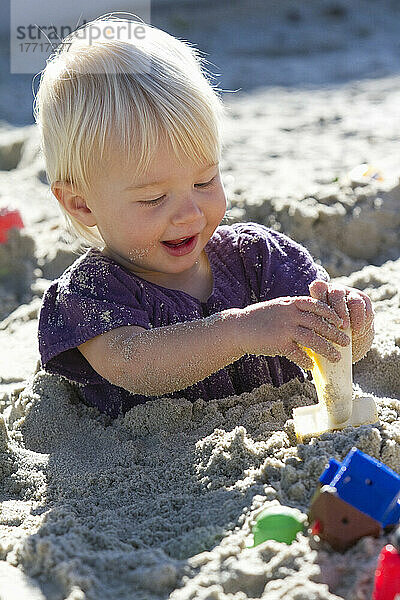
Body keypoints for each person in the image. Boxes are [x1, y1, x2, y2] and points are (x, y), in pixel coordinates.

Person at [34, 16, 374, 418]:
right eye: (154, 198)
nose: (190, 213)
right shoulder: (92, 290)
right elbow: (135, 364)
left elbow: (331, 338)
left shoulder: (259, 257)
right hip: (154, 465)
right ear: (82, 204)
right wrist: (239, 331)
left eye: (204, 181)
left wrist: (350, 323)